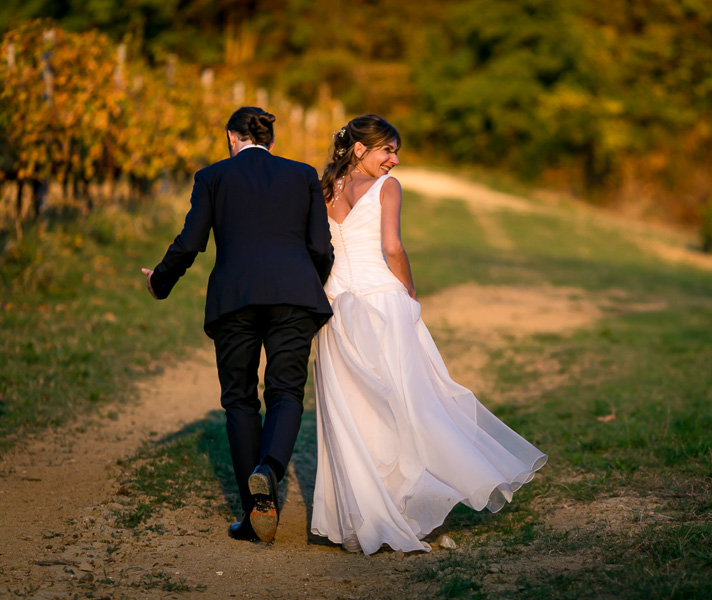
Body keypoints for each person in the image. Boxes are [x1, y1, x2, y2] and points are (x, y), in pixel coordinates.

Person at [311, 114, 547, 555]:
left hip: (335, 310)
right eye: (387, 150)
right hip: (382, 304)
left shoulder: (324, 191)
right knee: (407, 404)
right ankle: (397, 507)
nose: (395, 161)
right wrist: (411, 291)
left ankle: (358, 517)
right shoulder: (387, 189)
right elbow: (392, 247)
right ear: (360, 149)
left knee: (352, 414)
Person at [141, 106, 334, 543]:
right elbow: (319, 247)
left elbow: (191, 242)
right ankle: (270, 469)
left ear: (232, 137)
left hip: (235, 300)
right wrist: (307, 286)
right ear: (269, 140)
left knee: (240, 400)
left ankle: (254, 517)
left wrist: (161, 280)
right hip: (294, 297)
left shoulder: (212, 177)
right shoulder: (302, 174)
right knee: (285, 392)